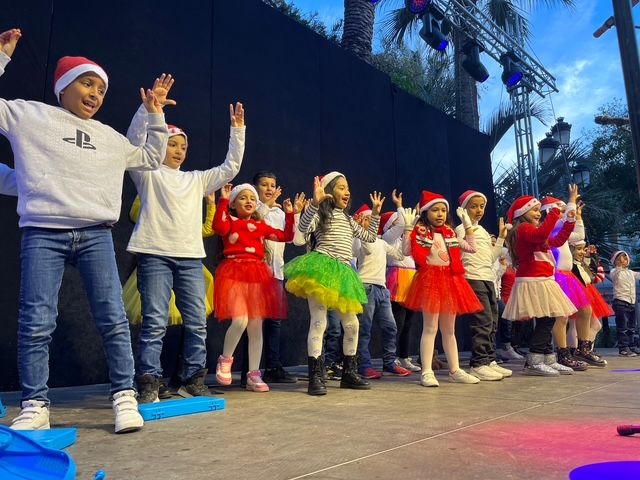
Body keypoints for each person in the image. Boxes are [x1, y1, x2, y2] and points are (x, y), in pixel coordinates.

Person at [0, 28, 168, 433]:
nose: (95, 94)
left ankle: (125, 397)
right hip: (44, 232)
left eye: (102, 90)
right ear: (62, 87)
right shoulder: (30, 116)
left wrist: (155, 113)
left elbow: (148, 157)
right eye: (87, 83)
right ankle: (35, 404)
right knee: (37, 320)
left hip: (95, 234)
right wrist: (2, 56)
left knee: (112, 318)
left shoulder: (110, 137)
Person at [125, 88, 246, 402]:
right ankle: (149, 381)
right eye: (172, 144)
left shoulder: (196, 179)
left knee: (196, 321)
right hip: (154, 256)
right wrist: (151, 111)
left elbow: (230, 167)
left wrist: (238, 131)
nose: (179, 151)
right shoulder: (147, 173)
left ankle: (193, 378)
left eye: (183, 146)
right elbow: (133, 142)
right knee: (154, 321)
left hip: (190, 259)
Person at [284, 172, 382, 395]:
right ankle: (315, 376)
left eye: (347, 188)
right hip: (322, 269)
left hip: (344, 271)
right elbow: (301, 233)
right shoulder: (320, 214)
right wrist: (314, 204)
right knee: (320, 322)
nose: (346, 192)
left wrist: (375, 214)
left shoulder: (348, 219)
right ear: (329, 191)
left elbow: (370, 237)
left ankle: (349, 372)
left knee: (352, 324)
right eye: (340, 187)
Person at [214, 183, 300, 392]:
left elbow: (286, 236)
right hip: (234, 272)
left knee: (255, 325)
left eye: (252, 198)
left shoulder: (260, 226)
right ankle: (225, 359)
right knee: (241, 319)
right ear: (234, 204)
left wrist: (290, 215)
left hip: (257, 274)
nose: (249, 201)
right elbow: (219, 226)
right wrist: (222, 201)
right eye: (243, 198)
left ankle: (254, 374)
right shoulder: (230, 221)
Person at [401, 191, 483, 387]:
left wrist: (468, 226)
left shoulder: (450, 232)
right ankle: (427, 371)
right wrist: (407, 229)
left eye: (443, 210)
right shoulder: (420, 231)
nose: (440, 214)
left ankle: (455, 370)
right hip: (431, 281)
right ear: (425, 212)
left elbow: (472, 248)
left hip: (450, 281)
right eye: (435, 210)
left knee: (449, 330)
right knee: (430, 328)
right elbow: (405, 251)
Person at [503, 187, 579, 376]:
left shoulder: (535, 231)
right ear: (523, 213)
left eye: (539, 210)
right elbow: (541, 234)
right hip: (533, 281)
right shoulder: (524, 229)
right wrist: (554, 212)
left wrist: (570, 212)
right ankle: (535, 359)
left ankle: (548, 358)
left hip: (543, 280)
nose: (539, 214)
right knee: (545, 320)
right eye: (535, 210)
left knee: (548, 318)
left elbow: (560, 239)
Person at [455, 190, 512, 381]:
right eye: (473, 206)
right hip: (473, 278)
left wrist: (502, 238)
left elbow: (490, 257)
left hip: (488, 279)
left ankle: (489, 360)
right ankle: (478, 363)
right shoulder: (462, 229)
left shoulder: (482, 231)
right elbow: (465, 252)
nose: (479, 210)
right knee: (482, 322)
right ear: (463, 209)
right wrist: (466, 225)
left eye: (481, 206)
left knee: (492, 321)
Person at [352, 197, 411, 379]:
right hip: (366, 285)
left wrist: (408, 230)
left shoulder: (383, 242)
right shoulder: (362, 240)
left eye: (373, 218)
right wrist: (359, 230)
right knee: (364, 328)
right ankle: (364, 365)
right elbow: (359, 250)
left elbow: (402, 254)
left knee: (390, 327)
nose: (372, 221)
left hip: (382, 289)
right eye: (368, 218)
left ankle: (389, 362)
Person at [539, 196, 589, 372]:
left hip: (568, 276)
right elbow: (561, 224)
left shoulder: (561, 232)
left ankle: (583, 349)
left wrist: (578, 216)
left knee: (585, 309)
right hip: (557, 276)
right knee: (561, 316)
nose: (564, 214)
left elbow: (579, 236)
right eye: (559, 211)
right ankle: (562, 353)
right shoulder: (550, 229)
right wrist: (571, 204)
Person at [569, 239, 610, 366]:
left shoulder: (580, 264)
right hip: (577, 293)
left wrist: (591, 257)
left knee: (592, 324)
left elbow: (592, 277)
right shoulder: (570, 265)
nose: (582, 252)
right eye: (579, 249)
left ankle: (584, 351)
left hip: (586, 291)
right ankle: (576, 352)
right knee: (573, 323)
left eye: (583, 249)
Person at [609, 250, 640, 357]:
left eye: (625, 258)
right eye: (619, 259)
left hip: (631, 302)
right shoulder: (614, 272)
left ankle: (631, 346)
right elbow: (615, 274)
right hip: (620, 302)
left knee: (632, 326)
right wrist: (618, 266)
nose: (623, 261)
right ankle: (623, 348)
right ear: (615, 262)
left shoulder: (631, 273)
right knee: (622, 327)